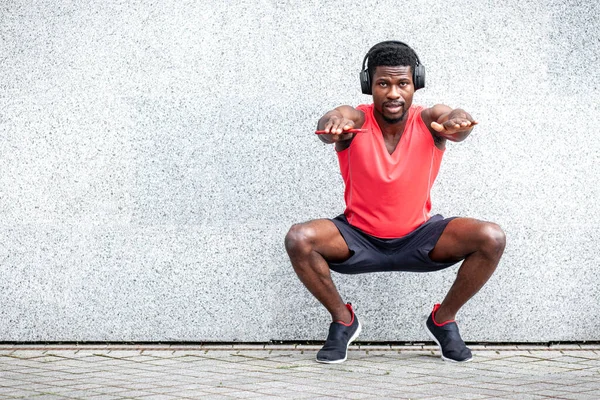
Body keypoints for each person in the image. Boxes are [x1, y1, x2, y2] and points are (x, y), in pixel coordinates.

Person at [284, 41, 506, 364]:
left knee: (492, 237)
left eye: (402, 83)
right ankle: (343, 321)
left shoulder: (429, 120)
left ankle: (443, 320)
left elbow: (450, 120)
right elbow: (336, 116)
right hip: (357, 237)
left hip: (420, 236)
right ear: (368, 85)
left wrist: (458, 119)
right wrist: (331, 122)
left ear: (415, 83)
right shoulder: (356, 121)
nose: (393, 93)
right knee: (298, 239)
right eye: (382, 83)